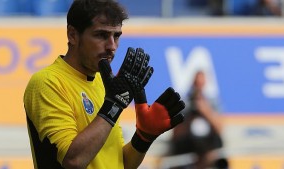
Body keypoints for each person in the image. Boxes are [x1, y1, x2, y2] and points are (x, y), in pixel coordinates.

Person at [23, 0, 185, 169]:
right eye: (101, 35)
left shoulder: (104, 82)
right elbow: (73, 161)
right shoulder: (47, 83)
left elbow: (119, 163)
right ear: (72, 35)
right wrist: (113, 105)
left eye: (116, 36)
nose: (112, 46)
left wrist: (143, 137)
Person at [171, 71, 226, 169]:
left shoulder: (212, 103)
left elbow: (220, 129)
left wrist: (206, 111)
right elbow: (175, 134)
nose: (198, 86)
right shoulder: (184, 103)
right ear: (193, 83)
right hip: (188, 143)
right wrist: (188, 117)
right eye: (196, 83)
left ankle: (206, 160)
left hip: (208, 142)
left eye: (201, 83)